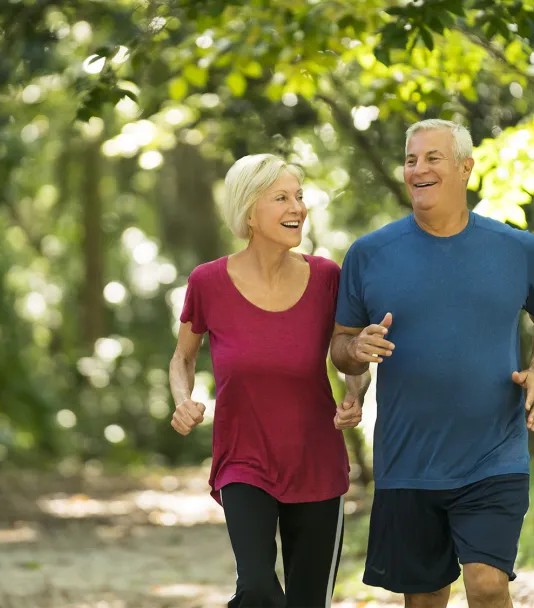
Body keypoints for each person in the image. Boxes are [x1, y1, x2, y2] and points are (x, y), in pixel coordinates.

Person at [330, 119, 534, 608]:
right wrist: (355, 352)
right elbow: (341, 344)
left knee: (487, 585)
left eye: (432, 158)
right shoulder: (369, 254)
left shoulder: (516, 249)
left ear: (465, 168)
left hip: (493, 455)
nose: (418, 168)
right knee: (424, 600)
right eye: (411, 159)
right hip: (407, 461)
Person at [169, 153, 364, 608]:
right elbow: (182, 357)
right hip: (244, 460)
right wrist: (183, 399)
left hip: (315, 459)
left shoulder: (327, 279)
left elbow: (348, 355)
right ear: (249, 212)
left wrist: (355, 394)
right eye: (281, 198)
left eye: (298, 197)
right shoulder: (208, 282)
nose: (297, 207)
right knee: (256, 587)